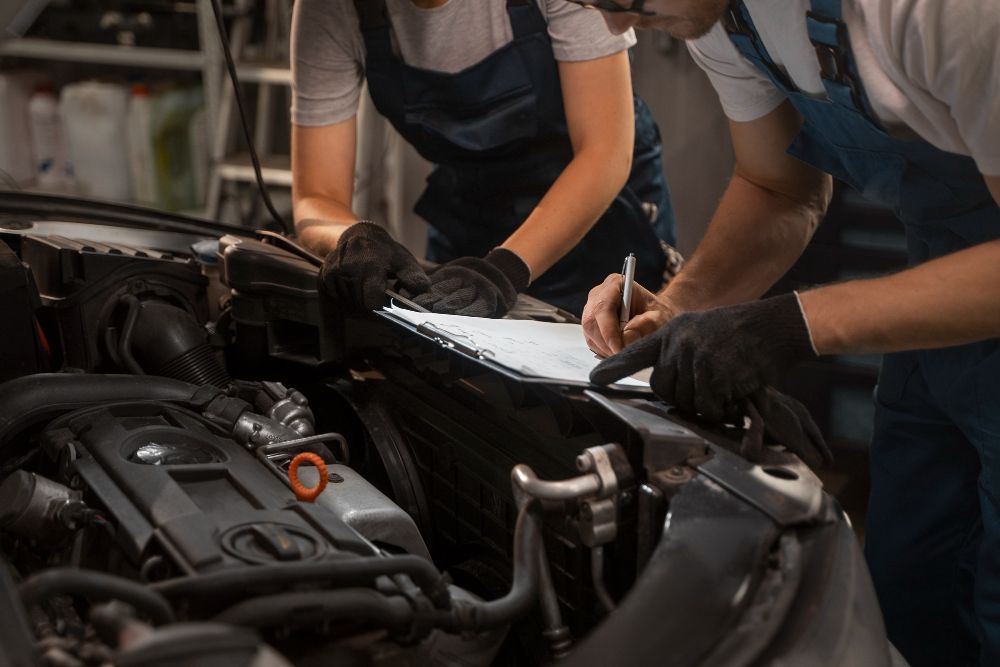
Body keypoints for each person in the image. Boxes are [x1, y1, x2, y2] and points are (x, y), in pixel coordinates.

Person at [578, 1, 1000, 665]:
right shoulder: (713, 16)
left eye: (628, 2)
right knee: (909, 604)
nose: (614, 27)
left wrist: (795, 323)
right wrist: (679, 304)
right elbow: (780, 187)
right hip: (937, 316)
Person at [290, 0, 681, 318]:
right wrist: (353, 237)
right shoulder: (332, 9)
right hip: (472, 221)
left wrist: (504, 269)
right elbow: (317, 194)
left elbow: (604, 151)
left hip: (599, 217)